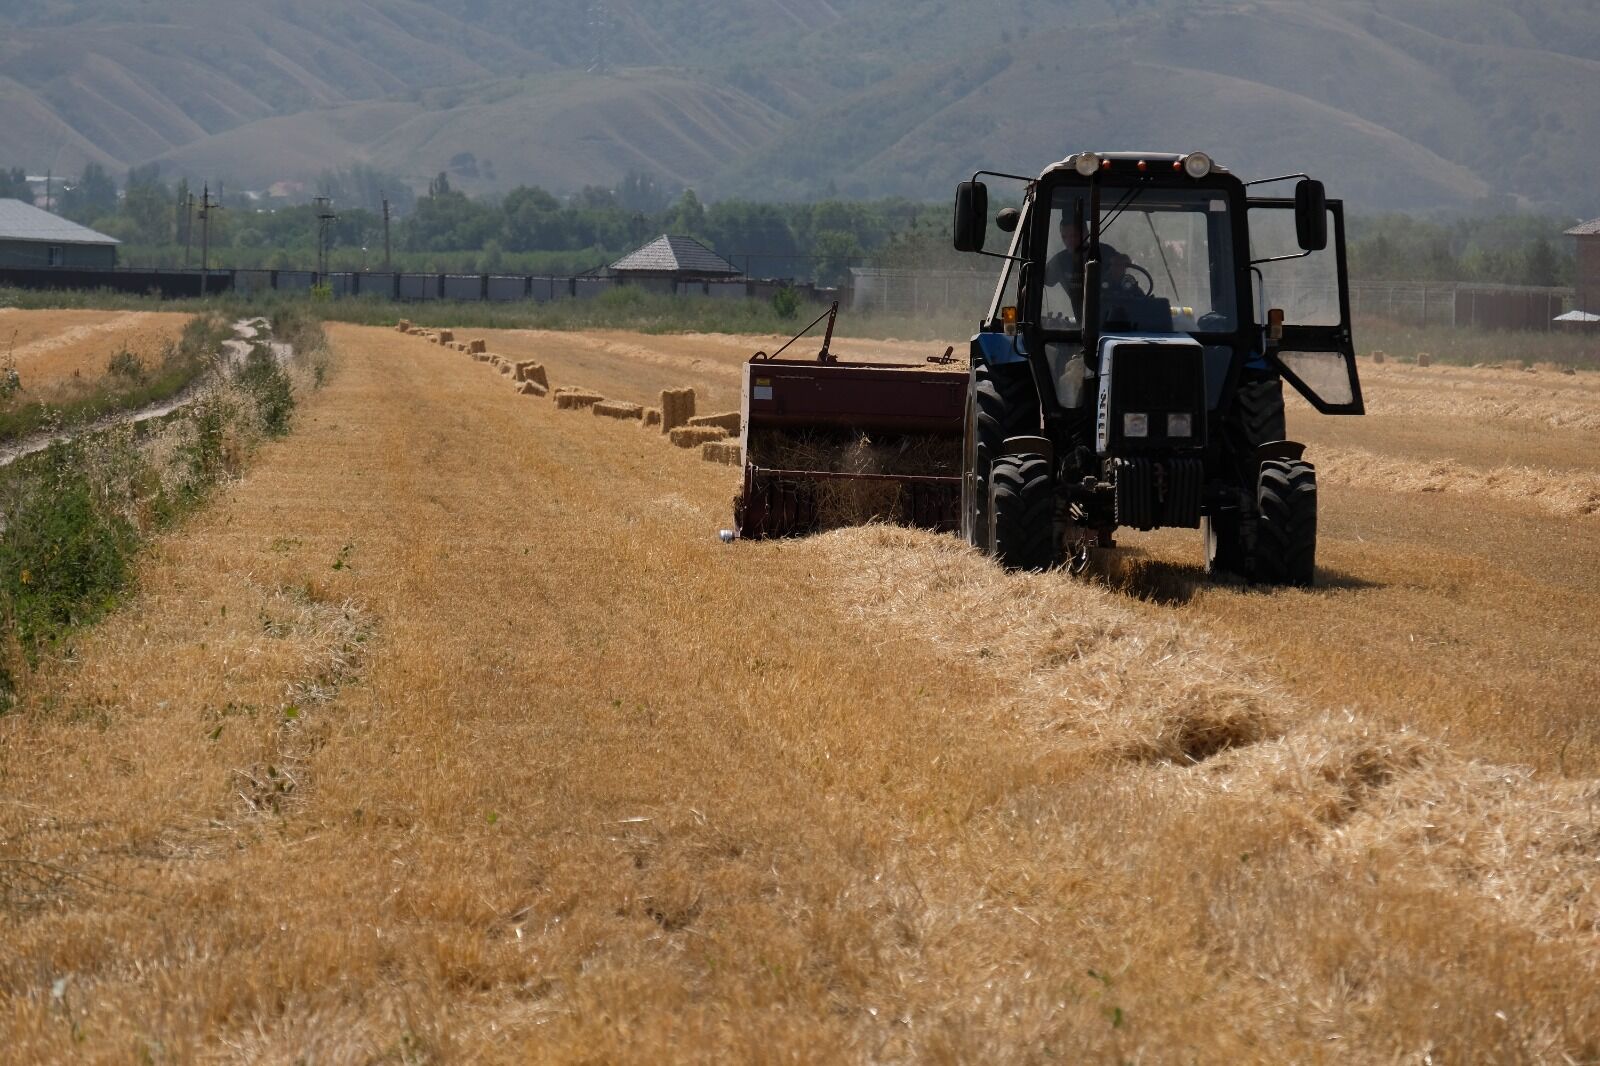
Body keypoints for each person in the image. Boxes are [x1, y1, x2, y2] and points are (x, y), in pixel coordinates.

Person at [1044, 215, 1134, 321]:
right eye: (1064, 237)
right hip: (1082, 323)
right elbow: (1040, 279)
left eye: (1074, 236)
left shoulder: (1104, 252)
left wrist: (1123, 261)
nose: (1069, 241)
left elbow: (1124, 261)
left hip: (1114, 318)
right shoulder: (1060, 261)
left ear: (1086, 233)